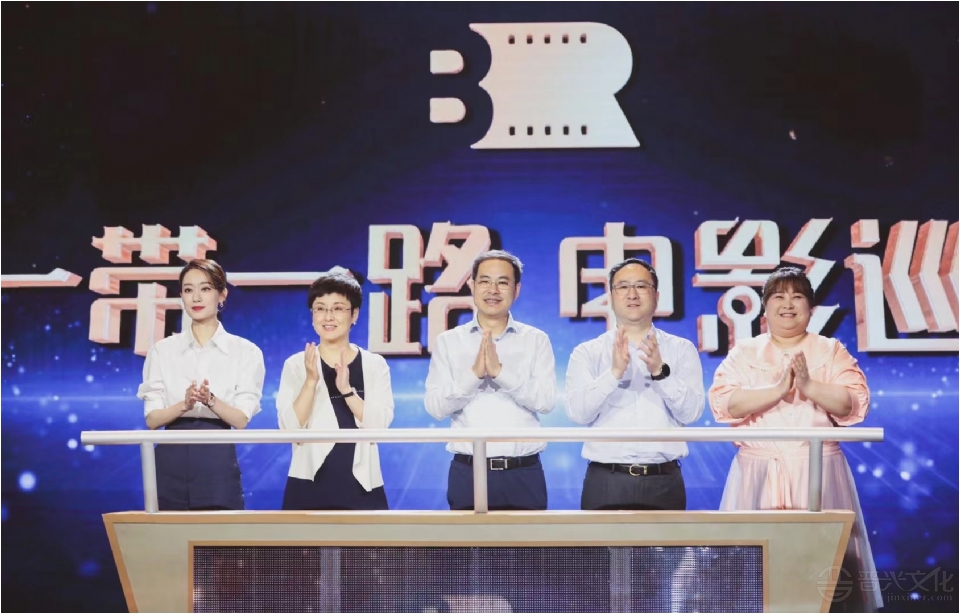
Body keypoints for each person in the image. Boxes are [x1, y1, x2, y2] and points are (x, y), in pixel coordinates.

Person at [708, 266, 883, 612]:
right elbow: (724, 404)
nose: (788, 304)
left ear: (810, 308)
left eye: (797, 296)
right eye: (778, 296)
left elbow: (853, 403)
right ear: (764, 306)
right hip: (758, 471)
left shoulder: (830, 350)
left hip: (816, 469)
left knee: (823, 569)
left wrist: (809, 386)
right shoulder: (744, 352)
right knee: (753, 574)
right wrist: (777, 390)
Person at [565, 257, 705, 511]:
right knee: (601, 541)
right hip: (606, 479)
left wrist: (661, 372)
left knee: (666, 541)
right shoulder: (588, 352)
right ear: (611, 297)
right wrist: (613, 374)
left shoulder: (681, 349)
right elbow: (578, 414)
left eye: (641, 286)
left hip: (664, 480)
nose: (632, 294)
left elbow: (692, 413)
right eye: (623, 287)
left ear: (656, 296)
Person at [425, 250, 557, 510]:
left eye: (503, 282)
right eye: (485, 281)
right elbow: (435, 408)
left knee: (530, 538)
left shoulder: (536, 340)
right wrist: (474, 376)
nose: (493, 290)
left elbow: (546, 402)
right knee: (467, 539)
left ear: (516, 290)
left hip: (523, 472)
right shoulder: (449, 341)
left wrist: (501, 374)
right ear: (472, 285)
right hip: (468, 472)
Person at [137, 259, 265, 510]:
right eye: (188, 290)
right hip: (170, 456)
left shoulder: (245, 351)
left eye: (205, 289)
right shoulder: (162, 351)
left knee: (219, 532)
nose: (196, 297)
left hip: (216, 456)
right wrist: (184, 405)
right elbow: (152, 420)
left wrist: (211, 401)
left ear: (222, 295)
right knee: (167, 531)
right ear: (181, 296)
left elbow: (241, 420)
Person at [277, 272, 394, 510]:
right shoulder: (296, 364)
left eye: (338, 308)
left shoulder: (374, 364)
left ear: (354, 315)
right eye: (320, 309)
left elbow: (380, 426)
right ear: (312, 315)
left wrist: (347, 391)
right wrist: (310, 382)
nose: (328, 317)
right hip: (308, 481)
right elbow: (289, 429)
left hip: (362, 484)